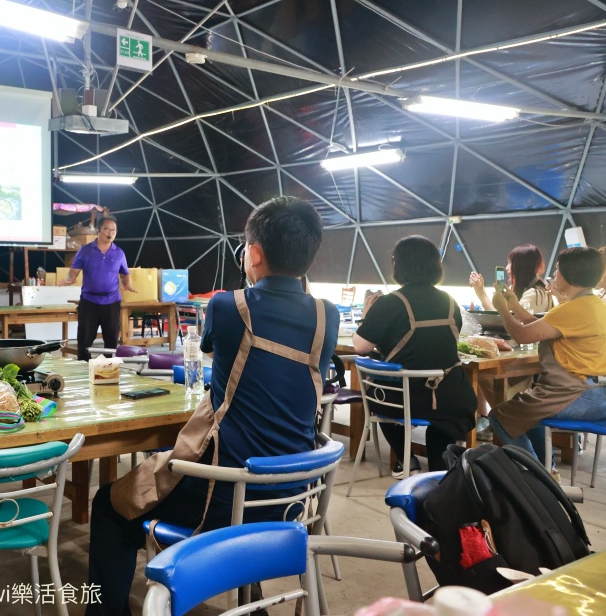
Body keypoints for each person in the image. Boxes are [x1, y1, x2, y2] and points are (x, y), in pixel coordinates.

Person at [86, 197, 339, 616]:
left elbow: (204, 348)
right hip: (292, 498)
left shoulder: (228, 306)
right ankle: (246, 593)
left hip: (223, 495)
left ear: (253, 254)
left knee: (107, 506)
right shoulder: (326, 316)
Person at [354, 235, 477, 476]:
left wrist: (367, 316)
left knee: (375, 397)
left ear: (398, 265)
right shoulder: (450, 302)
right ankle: (440, 469)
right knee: (445, 419)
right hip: (450, 397)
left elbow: (360, 346)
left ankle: (406, 459)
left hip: (403, 398)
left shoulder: (390, 302)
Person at [488, 247, 606, 465]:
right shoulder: (596, 306)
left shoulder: (574, 309)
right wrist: (513, 304)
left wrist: (502, 309)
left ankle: (534, 475)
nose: (554, 275)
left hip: (575, 396)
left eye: (557, 270)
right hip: (600, 396)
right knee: (529, 419)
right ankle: (547, 469)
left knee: (500, 416)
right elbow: (539, 325)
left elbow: (522, 335)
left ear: (569, 275)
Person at [57, 215, 136, 360]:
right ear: (99, 230)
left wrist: (128, 284)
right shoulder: (85, 250)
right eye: (107, 229)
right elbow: (73, 272)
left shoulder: (119, 253)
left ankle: (108, 373)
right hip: (89, 302)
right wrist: (68, 280)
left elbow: (125, 273)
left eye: (114, 230)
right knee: (84, 342)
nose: (110, 233)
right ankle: (83, 372)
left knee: (111, 343)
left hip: (112, 302)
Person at [470, 244, 554, 313]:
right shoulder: (514, 288)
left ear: (522, 267)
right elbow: (499, 314)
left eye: (510, 263)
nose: (506, 268)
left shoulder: (535, 294)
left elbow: (505, 321)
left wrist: (481, 294)